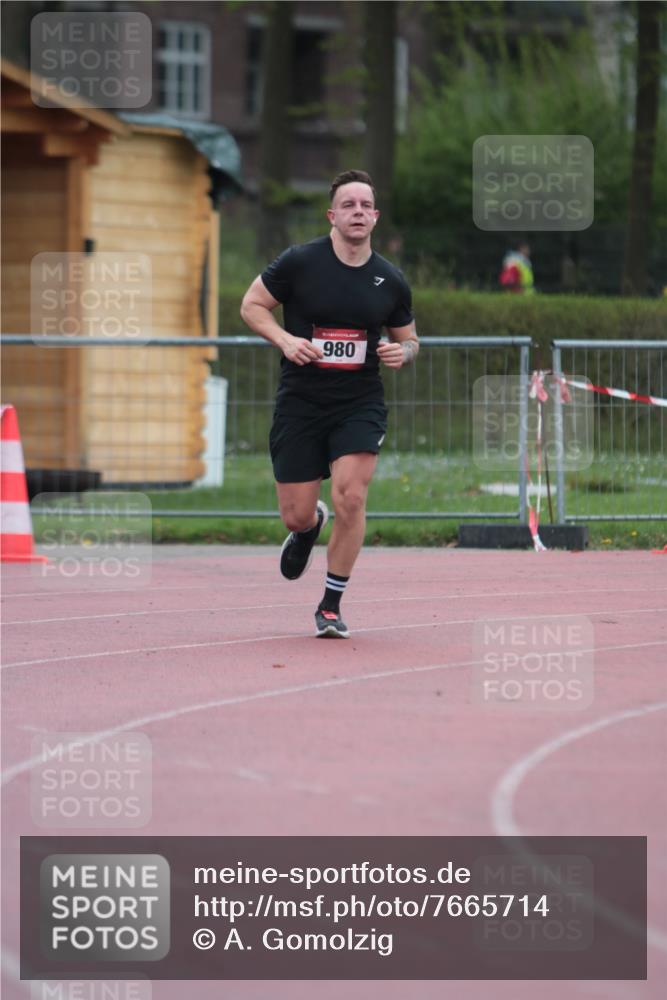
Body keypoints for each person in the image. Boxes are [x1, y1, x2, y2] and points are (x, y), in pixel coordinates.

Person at [240, 169, 418, 639]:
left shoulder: (391, 279)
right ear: (332, 216)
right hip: (301, 402)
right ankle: (308, 527)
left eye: (365, 205)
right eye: (348, 205)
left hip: (359, 402)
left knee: (351, 497)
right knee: (295, 513)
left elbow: (410, 339)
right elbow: (252, 305)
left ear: (375, 217)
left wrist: (404, 353)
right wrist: (284, 339)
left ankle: (331, 605)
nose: (358, 212)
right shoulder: (299, 262)